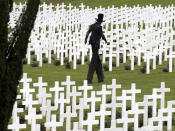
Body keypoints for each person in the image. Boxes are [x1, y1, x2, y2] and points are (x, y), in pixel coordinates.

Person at [85, 13, 108, 84]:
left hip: (92, 44)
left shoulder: (92, 25)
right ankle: (89, 79)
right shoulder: (99, 27)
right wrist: (106, 40)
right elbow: (102, 35)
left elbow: (88, 32)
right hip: (96, 45)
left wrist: (85, 39)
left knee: (98, 61)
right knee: (93, 62)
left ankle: (100, 78)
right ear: (101, 21)